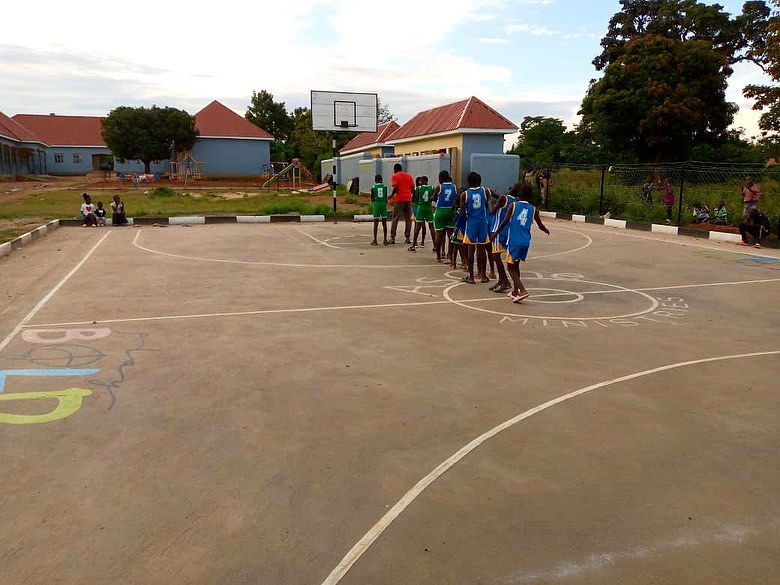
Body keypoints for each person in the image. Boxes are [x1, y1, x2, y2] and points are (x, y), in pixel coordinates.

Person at [491, 183, 550, 302]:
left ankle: (522, 290)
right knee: (516, 265)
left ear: (519, 194)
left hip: (514, 241)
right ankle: (515, 291)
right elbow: (540, 225)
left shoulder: (513, 206)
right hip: (525, 242)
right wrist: (546, 230)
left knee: (510, 268)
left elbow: (505, 221)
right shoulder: (533, 209)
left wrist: (495, 234)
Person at [461, 171, 492, 284]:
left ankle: (471, 277)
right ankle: (483, 275)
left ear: (468, 182)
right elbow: (489, 204)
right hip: (482, 222)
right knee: (482, 249)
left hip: (472, 223)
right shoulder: (485, 191)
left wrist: (466, 218)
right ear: (479, 181)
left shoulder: (465, 194)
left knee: (471, 249)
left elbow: (462, 213)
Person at [487, 183, 516, 294]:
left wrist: (490, 203)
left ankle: (505, 281)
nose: (507, 188)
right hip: (506, 230)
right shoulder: (515, 201)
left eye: (510, 188)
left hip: (497, 230)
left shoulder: (504, 198)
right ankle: (501, 280)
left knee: (495, 256)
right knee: (496, 256)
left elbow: (492, 212)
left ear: (511, 190)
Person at [433, 170, 457, 263]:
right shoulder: (454, 187)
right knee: (451, 235)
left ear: (441, 178)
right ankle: (450, 255)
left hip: (441, 210)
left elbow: (434, 197)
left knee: (439, 234)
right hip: (451, 210)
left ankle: (438, 256)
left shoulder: (439, 187)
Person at [388, 163, 414, 244]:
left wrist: (391, 195)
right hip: (408, 199)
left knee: (395, 218)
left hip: (399, 199)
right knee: (408, 219)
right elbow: (413, 188)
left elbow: (395, 187)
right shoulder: (409, 176)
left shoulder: (395, 176)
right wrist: (409, 194)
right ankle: (407, 238)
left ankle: (392, 238)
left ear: (395, 169)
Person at [409, 176, 435, 251]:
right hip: (429, 207)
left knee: (417, 227)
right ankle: (435, 246)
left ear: (422, 181)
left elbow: (416, 199)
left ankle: (414, 245)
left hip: (421, 207)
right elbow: (433, 197)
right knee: (431, 227)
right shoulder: (432, 188)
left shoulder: (419, 188)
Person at [370, 174, 389, 246]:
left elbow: (372, 199)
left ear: (375, 180)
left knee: (376, 222)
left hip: (377, 205)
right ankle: (385, 240)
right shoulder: (385, 187)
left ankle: (375, 240)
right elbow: (386, 198)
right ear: (382, 180)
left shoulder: (373, 188)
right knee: (384, 223)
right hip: (383, 205)